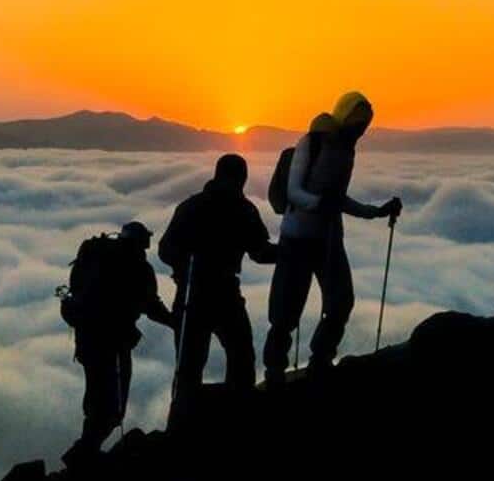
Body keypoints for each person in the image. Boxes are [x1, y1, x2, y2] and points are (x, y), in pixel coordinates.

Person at [264, 92, 402, 383]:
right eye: (358, 123)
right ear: (345, 118)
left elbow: (337, 199)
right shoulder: (310, 143)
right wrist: (320, 204)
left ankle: (320, 359)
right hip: (298, 239)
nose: (361, 130)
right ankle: (276, 369)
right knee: (286, 311)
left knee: (340, 302)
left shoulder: (345, 151)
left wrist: (375, 212)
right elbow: (294, 192)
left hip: (326, 237)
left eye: (364, 125)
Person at [157, 154, 278, 411]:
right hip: (224, 294)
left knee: (189, 367)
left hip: (192, 295)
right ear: (242, 178)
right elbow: (260, 252)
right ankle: (235, 414)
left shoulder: (190, 206)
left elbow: (165, 250)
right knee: (241, 358)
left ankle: (182, 425)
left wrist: (187, 265)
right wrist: (290, 253)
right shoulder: (243, 209)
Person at [57, 222, 176, 466]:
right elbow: (151, 305)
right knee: (113, 406)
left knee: (97, 399)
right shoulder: (137, 267)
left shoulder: (94, 255)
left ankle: (85, 452)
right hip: (113, 342)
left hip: (88, 340)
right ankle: (83, 455)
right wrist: (176, 322)